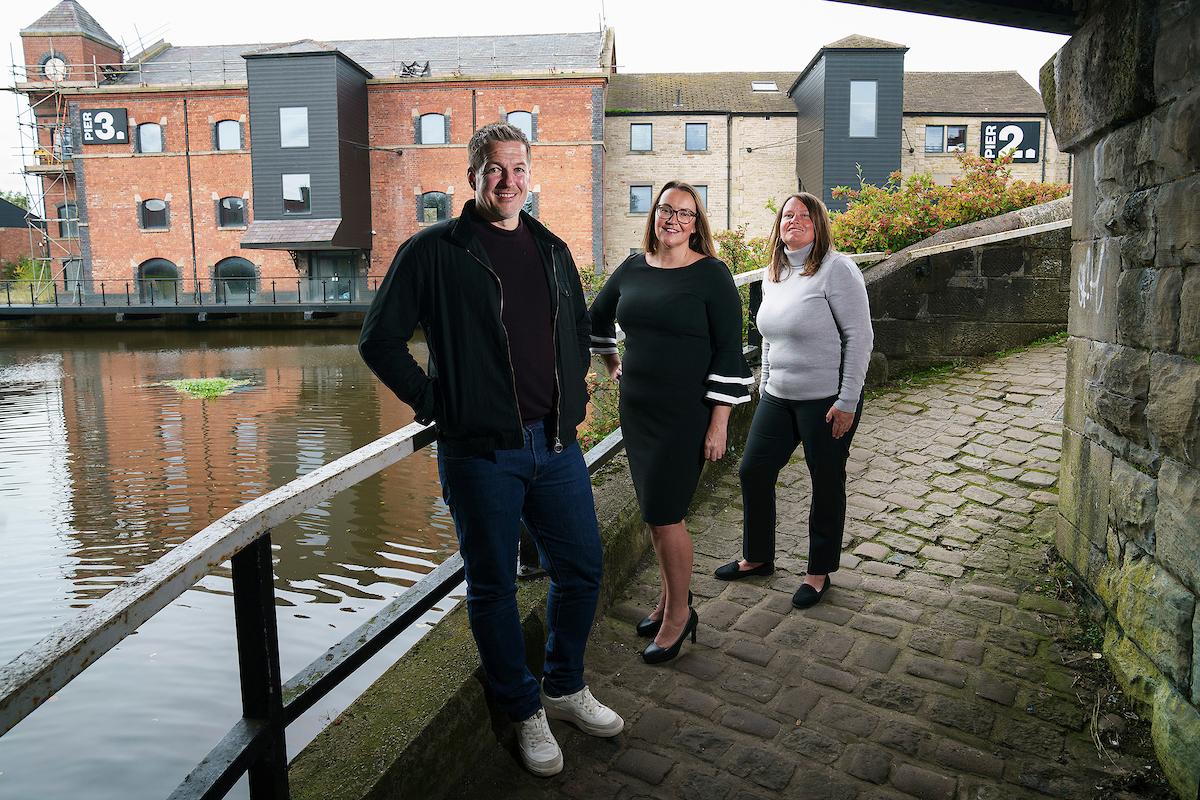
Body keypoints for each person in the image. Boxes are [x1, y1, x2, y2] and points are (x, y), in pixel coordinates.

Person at [359, 122, 622, 778]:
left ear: (530, 175)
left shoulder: (553, 248)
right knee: (494, 584)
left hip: (555, 446)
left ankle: (562, 687)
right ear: (472, 175)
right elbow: (379, 340)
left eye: (518, 168)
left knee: (582, 568)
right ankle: (522, 708)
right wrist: (438, 404)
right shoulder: (433, 252)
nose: (508, 181)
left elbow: (573, 330)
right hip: (481, 453)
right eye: (494, 169)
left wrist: (577, 403)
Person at [590, 180, 752, 665]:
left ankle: (680, 616)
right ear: (654, 215)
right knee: (656, 517)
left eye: (684, 213)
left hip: (685, 415)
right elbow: (595, 316)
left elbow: (729, 350)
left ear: (696, 223)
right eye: (666, 210)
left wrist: (719, 423)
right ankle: (666, 603)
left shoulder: (712, 275)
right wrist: (611, 362)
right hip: (638, 413)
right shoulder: (634, 267)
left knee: (666, 516)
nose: (673, 220)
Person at [713, 192, 873, 609]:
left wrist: (849, 399)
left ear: (818, 224)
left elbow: (860, 338)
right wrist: (765, 382)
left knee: (825, 481)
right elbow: (767, 335)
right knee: (753, 471)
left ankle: (818, 571)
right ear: (778, 224)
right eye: (787, 215)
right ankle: (758, 557)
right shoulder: (775, 272)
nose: (794, 220)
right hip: (778, 397)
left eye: (804, 215)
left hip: (827, 401)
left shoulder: (838, 270)